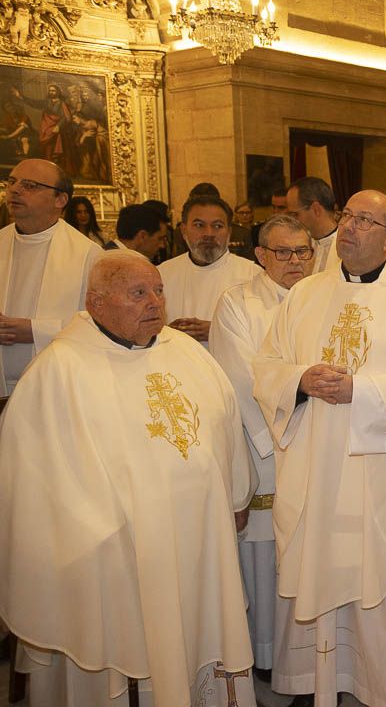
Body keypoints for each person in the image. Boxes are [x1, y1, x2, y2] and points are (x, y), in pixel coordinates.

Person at [0, 251, 256, 706]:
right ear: (96, 302)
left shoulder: (187, 353)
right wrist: (108, 533)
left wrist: (236, 497)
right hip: (112, 553)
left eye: (158, 290)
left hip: (197, 537)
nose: (155, 302)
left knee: (193, 631)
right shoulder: (59, 371)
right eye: (138, 294)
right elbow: (39, 477)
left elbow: (225, 424)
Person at [254, 189, 386, 707]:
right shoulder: (306, 293)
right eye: (348, 216)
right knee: (322, 566)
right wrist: (301, 378)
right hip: (317, 467)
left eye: (366, 221)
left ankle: (382, 687)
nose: (349, 227)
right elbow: (267, 366)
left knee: (381, 579)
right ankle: (321, 681)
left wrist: (362, 391)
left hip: (383, 471)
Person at [209, 215, 316, 684]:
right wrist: (285, 436)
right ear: (260, 256)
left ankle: (311, 658)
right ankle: (271, 657)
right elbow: (238, 379)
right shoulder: (238, 304)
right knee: (267, 555)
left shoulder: (325, 296)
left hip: (319, 447)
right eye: (283, 253)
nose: (294, 262)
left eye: (303, 252)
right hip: (267, 451)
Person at [0, 158, 101, 395]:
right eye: (11, 182)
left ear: (60, 199)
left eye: (29, 185)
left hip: (57, 390)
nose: (14, 190)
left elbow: (102, 327)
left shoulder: (89, 256)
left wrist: (35, 330)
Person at [157, 194, 259, 348]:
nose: (209, 234)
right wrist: (167, 332)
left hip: (229, 370)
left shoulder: (253, 275)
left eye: (217, 226)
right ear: (183, 230)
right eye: (199, 225)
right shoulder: (162, 274)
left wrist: (218, 330)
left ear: (229, 232)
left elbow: (268, 334)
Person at [286, 176, 342, 272]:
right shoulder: (298, 244)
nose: (292, 221)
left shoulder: (346, 248)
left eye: (295, 214)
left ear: (316, 209)